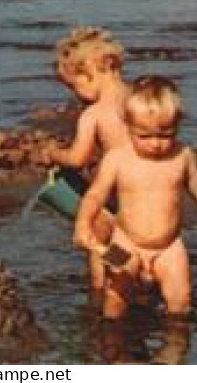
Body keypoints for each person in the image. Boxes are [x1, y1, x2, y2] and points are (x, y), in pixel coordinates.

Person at [74, 77, 197, 320]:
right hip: (126, 242)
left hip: (169, 246)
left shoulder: (182, 156)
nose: (156, 144)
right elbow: (95, 194)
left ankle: (175, 339)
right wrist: (83, 223)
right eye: (144, 136)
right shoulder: (117, 159)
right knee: (116, 296)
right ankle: (112, 337)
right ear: (128, 125)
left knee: (180, 301)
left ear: (177, 125)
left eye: (165, 135)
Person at [50, 28, 132, 296]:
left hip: (116, 189)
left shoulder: (94, 114)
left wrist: (54, 154)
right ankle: (139, 277)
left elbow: (78, 158)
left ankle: (101, 287)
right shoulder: (139, 98)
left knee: (98, 235)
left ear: (92, 71)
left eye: (75, 86)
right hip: (148, 186)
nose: (76, 95)